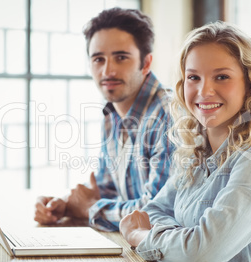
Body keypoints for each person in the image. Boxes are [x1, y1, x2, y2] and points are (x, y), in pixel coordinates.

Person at [119, 21, 251, 262]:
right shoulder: (195, 154)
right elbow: (151, 212)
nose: (204, 90)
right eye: (193, 77)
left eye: (222, 77)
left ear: (250, 84)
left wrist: (142, 236)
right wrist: (186, 240)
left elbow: (201, 253)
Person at [34, 7, 174, 232]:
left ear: (146, 63)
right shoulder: (112, 114)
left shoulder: (168, 114)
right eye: (98, 59)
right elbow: (105, 189)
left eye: (121, 58)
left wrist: (90, 208)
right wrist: (62, 205)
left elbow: (157, 213)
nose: (108, 71)